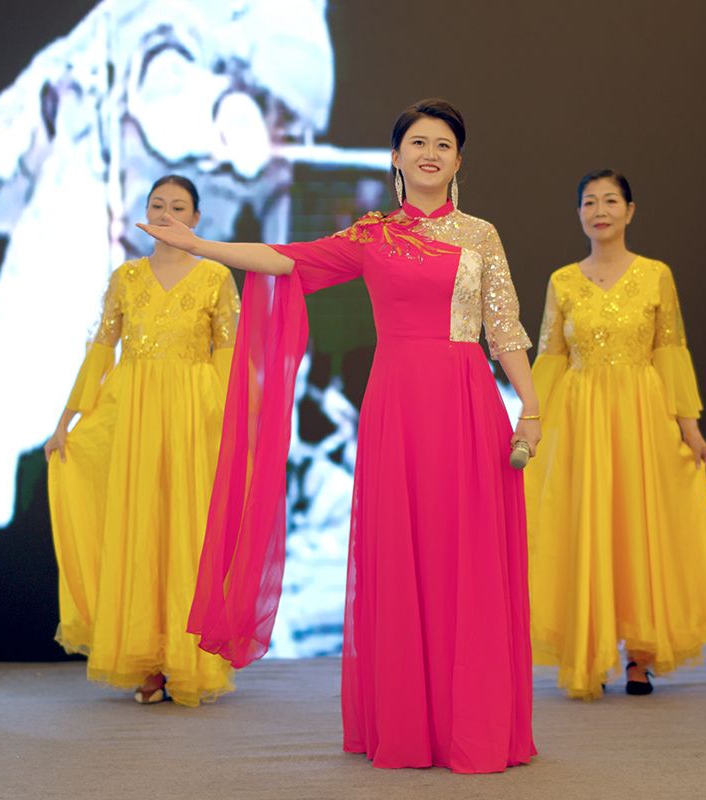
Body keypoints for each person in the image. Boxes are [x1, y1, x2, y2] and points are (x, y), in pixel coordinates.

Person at [141, 99, 539, 773]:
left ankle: (471, 724)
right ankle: (409, 725)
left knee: (466, 555)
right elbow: (285, 259)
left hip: (468, 401)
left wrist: (530, 405)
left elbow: (503, 329)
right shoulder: (373, 235)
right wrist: (200, 245)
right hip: (398, 405)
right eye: (418, 142)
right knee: (402, 554)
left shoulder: (480, 236)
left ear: (459, 161)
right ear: (396, 157)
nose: (430, 154)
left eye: (443, 144)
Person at [525, 169, 706, 700]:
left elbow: (670, 351)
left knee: (637, 526)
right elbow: (551, 357)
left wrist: (689, 426)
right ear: (578, 213)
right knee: (587, 525)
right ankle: (590, 651)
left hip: (641, 417)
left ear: (630, 211)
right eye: (590, 202)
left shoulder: (656, 275)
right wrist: (531, 424)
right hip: (581, 420)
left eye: (610, 201)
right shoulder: (562, 281)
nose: (600, 210)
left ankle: (640, 657)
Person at [44, 175, 238, 706]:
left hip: (194, 414)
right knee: (140, 528)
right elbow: (100, 349)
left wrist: (237, 424)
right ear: (146, 213)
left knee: (187, 530)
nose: (167, 213)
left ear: (196, 218)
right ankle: (146, 661)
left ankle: (188, 658)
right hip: (133, 414)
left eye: (179, 206)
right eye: (157, 205)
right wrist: (65, 421)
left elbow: (229, 355)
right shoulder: (126, 278)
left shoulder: (216, 276)